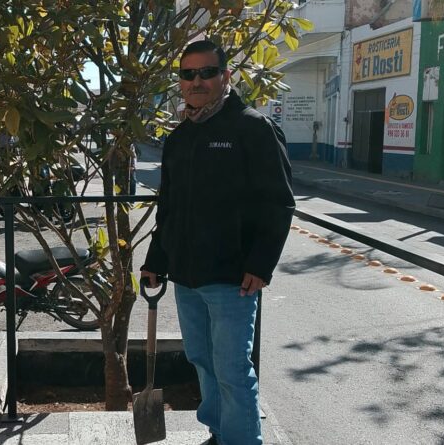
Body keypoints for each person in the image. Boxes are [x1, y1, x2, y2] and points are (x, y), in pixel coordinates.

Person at [141, 40, 294, 445]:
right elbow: (168, 208)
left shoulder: (252, 127)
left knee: (230, 369)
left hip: (232, 280)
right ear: (180, 82)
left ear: (225, 76)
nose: (197, 81)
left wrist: (260, 266)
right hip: (187, 277)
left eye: (207, 72)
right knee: (202, 361)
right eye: (188, 74)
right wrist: (156, 259)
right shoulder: (178, 139)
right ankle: (219, 432)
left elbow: (278, 203)